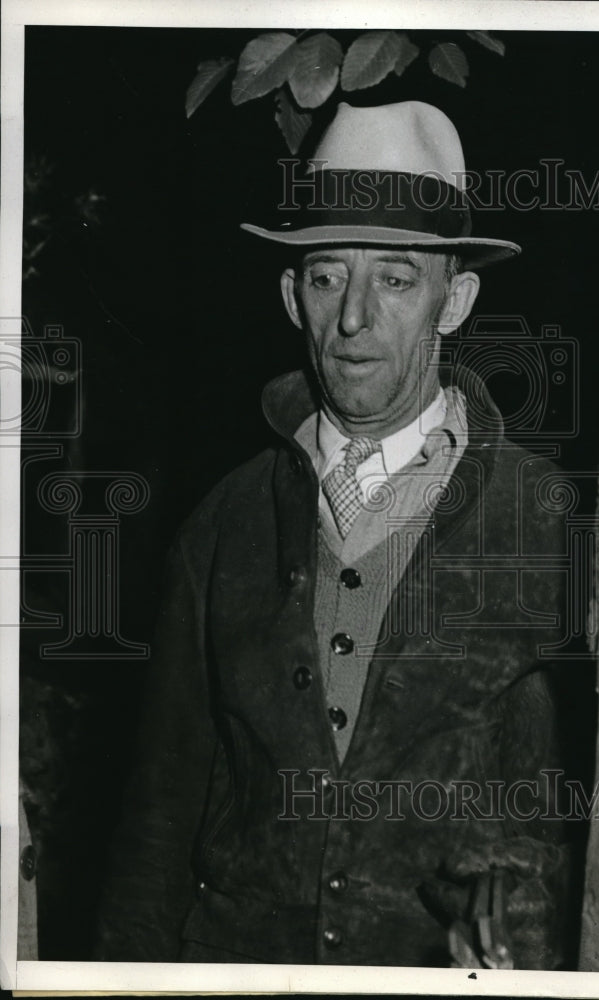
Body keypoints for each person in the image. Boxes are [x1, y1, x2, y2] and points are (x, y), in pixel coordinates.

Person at [96, 101, 572, 969]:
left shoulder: (542, 517)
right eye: (326, 278)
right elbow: (158, 818)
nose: (354, 318)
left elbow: (577, 808)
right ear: (292, 296)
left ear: (455, 300)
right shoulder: (223, 522)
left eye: (395, 279)